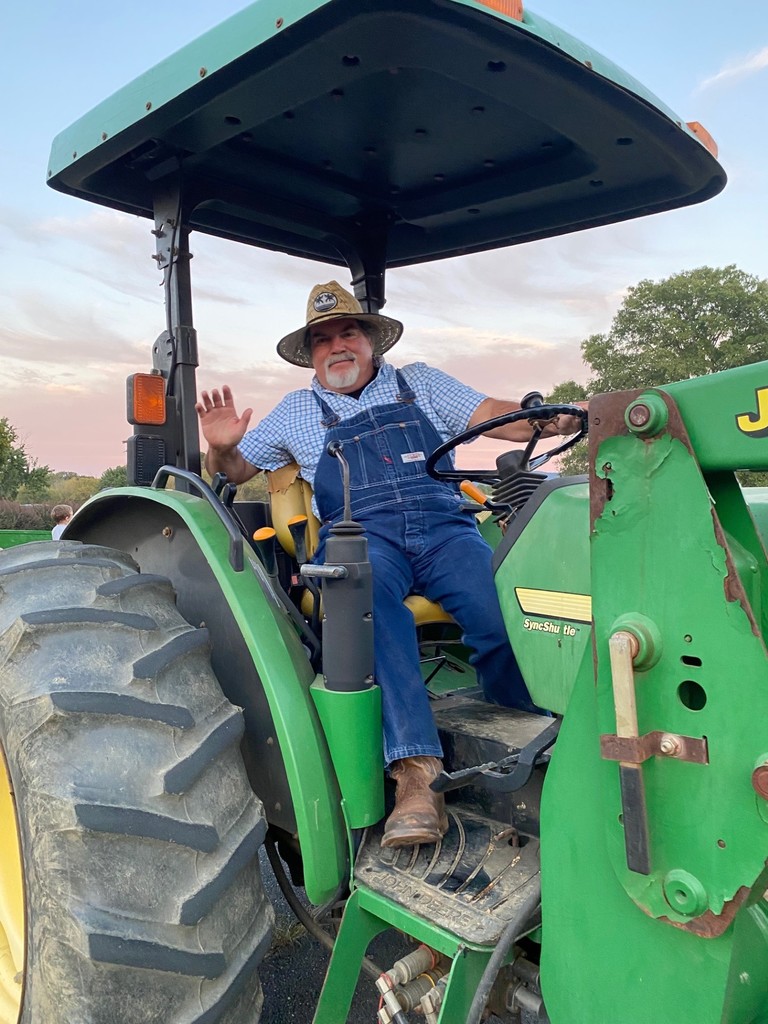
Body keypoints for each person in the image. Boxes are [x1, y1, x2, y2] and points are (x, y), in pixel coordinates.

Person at [196, 281, 584, 848]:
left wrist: (548, 418)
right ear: (311, 354)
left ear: (371, 340)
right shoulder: (295, 411)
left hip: (445, 530)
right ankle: (417, 774)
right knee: (368, 600)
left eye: (348, 332)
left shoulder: (419, 383)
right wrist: (221, 448)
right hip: (361, 536)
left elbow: (494, 415)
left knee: (506, 612)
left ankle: (524, 737)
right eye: (322, 339)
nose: (337, 346)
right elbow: (232, 472)